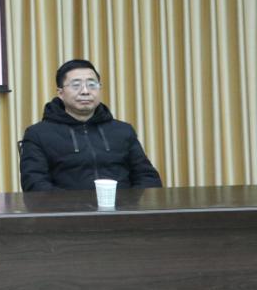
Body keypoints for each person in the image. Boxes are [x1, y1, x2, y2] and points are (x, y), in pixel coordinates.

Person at [20, 59, 162, 192]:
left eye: (92, 85)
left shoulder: (123, 130)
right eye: (76, 85)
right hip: (66, 209)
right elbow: (35, 184)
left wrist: (130, 203)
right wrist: (76, 205)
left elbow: (147, 177)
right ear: (60, 93)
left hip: (123, 207)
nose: (85, 91)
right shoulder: (38, 134)